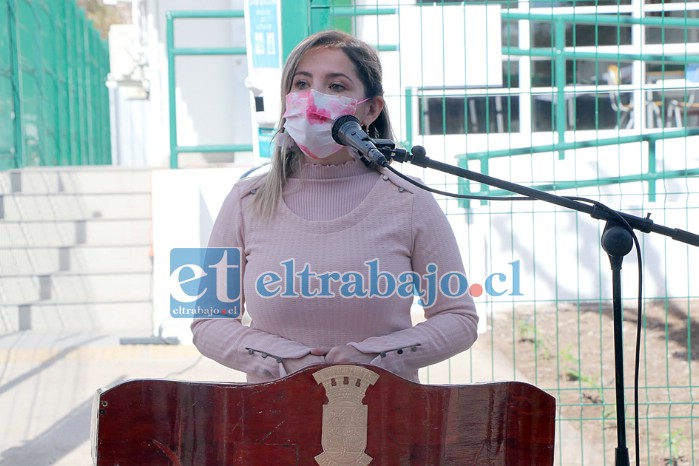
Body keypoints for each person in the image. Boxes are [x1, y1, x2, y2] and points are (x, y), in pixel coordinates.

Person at [191, 30, 478, 384]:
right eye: (301, 83)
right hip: (270, 426)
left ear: (371, 108)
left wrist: (375, 357)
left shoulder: (410, 202)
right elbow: (209, 322)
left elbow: (459, 319)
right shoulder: (245, 201)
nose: (313, 99)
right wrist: (285, 363)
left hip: (389, 423)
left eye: (336, 86)